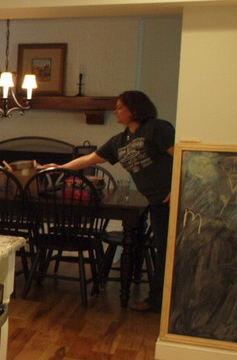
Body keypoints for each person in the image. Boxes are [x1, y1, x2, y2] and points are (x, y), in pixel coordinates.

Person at [51, 90, 175, 312]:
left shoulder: (157, 128)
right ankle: (159, 301)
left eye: (119, 107)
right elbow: (90, 159)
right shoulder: (120, 141)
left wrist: (180, 187)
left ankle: (161, 303)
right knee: (162, 249)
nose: (115, 111)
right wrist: (58, 168)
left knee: (167, 250)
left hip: (171, 200)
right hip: (155, 202)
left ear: (134, 109)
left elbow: (183, 156)